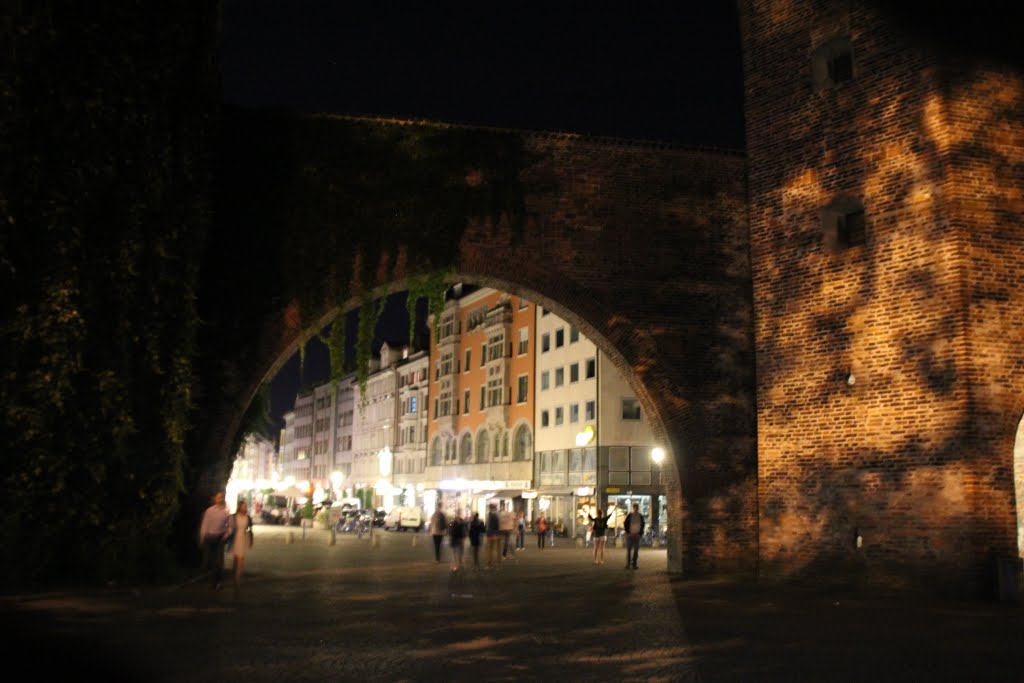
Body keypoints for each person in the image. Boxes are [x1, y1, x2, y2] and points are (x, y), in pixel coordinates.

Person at [198, 491, 231, 589]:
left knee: (219, 561)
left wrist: (225, 535)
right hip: (209, 537)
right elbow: (205, 524)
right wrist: (202, 537)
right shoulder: (209, 511)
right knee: (208, 560)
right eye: (218, 497)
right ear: (215, 499)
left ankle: (217, 581)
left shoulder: (225, 512)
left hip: (219, 538)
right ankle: (211, 578)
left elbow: (229, 526)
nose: (220, 499)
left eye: (221, 497)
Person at [230, 500, 254, 587]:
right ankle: (234, 574)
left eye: (246, 506)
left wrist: (251, 540)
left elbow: (250, 529)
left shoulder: (248, 517)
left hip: (243, 538)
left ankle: (237, 578)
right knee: (236, 559)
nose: (245, 507)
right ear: (239, 507)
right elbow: (230, 527)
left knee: (241, 559)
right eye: (244, 506)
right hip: (235, 538)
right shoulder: (234, 516)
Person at [623, 503, 645, 570]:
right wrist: (628, 533)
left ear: (638, 508)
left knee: (636, 550)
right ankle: (628, 564)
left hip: (637, 535)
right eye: (635, 508)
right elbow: (625, 523)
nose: (636, 509)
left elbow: (642, 525)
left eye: (637, 508)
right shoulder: (630, 515)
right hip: (630, 535)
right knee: (629, 550)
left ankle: (634, 564)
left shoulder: (640, 516)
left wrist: (640, 533)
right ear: (633, 508)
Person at [485, 503, 502, 568]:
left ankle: (490, 563)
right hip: (497, 534)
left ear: (490, 508)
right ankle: (498, 562)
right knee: (497, 549)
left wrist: (493, 534)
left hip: (492, 534)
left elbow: (493, 526)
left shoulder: (492, 515)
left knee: (490, 549)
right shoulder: (497, 514)